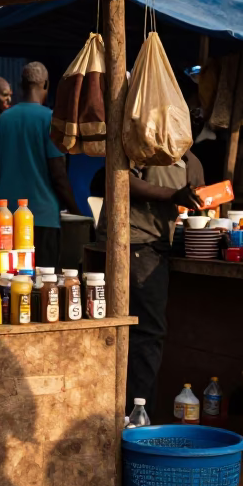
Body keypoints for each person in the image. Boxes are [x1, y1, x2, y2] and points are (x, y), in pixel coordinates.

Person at [91, 151, 204, 410]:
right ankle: (136, 416)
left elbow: (196, 190)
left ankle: (136, 413)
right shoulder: (141, 144)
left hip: (155, 246)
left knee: (145, 334)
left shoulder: (187, 158)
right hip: (135, 245)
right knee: (144, 334)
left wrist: (192, 183)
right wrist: (172, 195)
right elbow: (117, 177)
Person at [0, 62, 78, 267]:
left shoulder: (3, 119)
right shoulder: (49, 119)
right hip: (43, 217)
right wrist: (76, 210)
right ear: (46, 85)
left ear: (21, 85)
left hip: (7, 218)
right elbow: (58, 174)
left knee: (9, 281)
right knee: (43, 283)